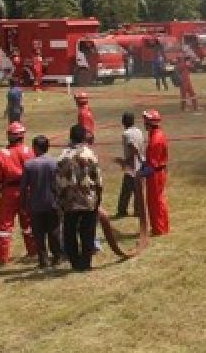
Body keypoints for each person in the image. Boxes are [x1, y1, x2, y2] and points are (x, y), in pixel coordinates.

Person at [0, 121, 36, 264]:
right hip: (27, 190)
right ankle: (33, 251)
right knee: (28, 223)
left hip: (9, 192)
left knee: (5, 225)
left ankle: (2, 257)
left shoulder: (2, 154)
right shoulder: (30, 151)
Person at [56, 123, 103, 271]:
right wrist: (99, 196)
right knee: (88, 232)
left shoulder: (62, 156)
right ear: (84, 137)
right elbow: (97, 179)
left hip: (69, 201)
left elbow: (58, 181)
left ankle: (75, 263)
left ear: (70, 137)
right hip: (88, 199)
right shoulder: (90, 154)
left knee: (69, 233)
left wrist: (61, 200)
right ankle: (86, 262)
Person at [20, 134, 62, 268]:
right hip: (52, 203)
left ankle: (43, 260)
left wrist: (23, 204)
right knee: (54, 232)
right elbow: (59, 184)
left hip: (36, 205)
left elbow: (23, 188)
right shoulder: (55, 163)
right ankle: (57, 257)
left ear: (35, 148)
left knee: (38, 234)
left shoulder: (29, 165)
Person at [143, 109, 170, 236]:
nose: (144, 122)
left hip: (155, 174)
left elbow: (153, 164)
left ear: (150, 122)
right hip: (158, 172)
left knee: (155, 201)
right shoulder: (155, 134)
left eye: (146, 120)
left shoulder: (155, 139)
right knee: (158, 199)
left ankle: (159, 228)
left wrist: (141, 172)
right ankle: (162, 226)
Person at [114, 112, 145, 218]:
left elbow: (133, 148)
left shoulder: (126, 134)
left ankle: (122, 210)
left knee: (126, 190)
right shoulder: (139, 131)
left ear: (123, 122)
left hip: (132, 166)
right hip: (140, 164)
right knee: (137, 189)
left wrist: (125, 161)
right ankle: (138, 210)